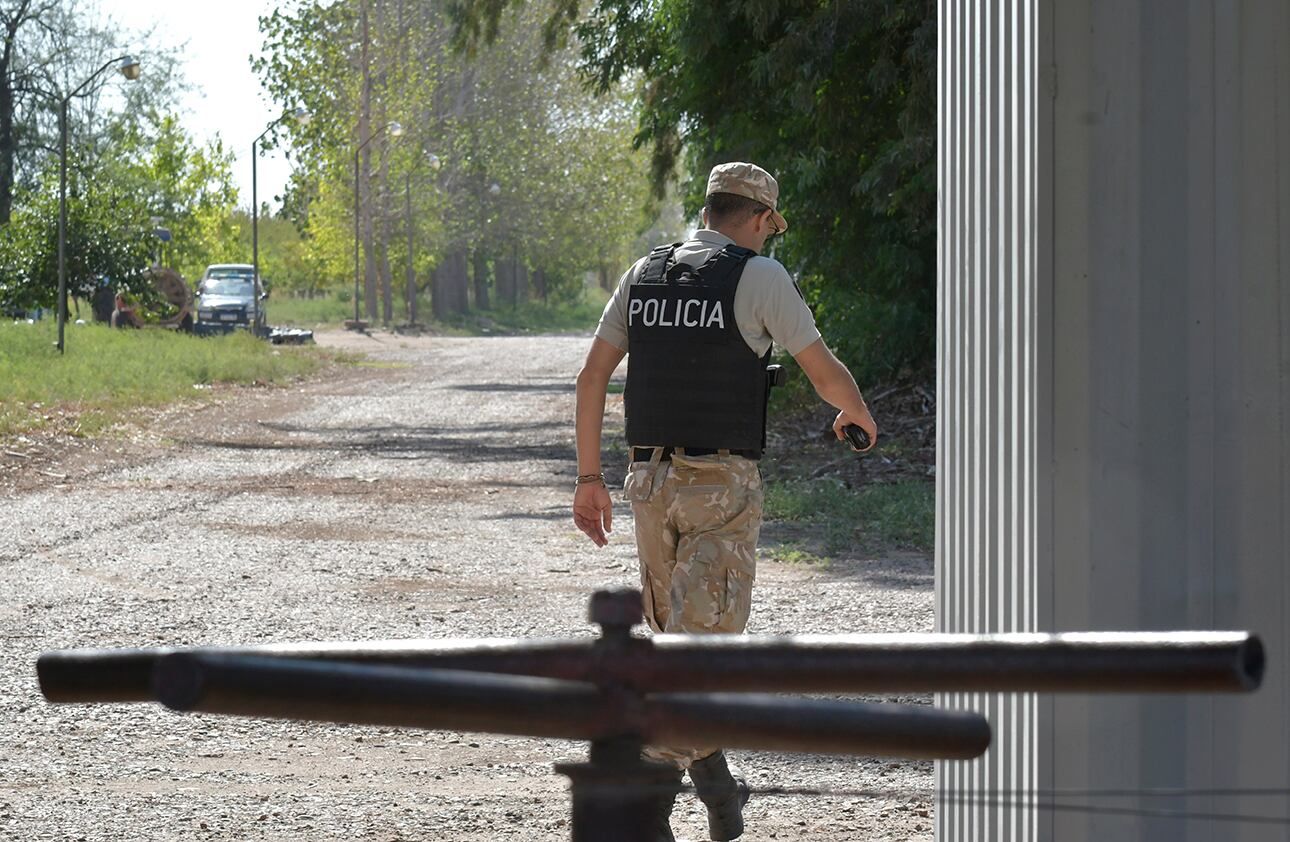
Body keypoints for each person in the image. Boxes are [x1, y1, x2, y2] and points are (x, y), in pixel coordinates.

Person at [572, 161, 878, 841]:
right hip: (719, 488)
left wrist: (588, 479)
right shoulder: (760, 276)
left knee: (678, 644)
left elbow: (593, 375)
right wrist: (856, 412)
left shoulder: (644, 274)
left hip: (647, 483)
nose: (772, 236)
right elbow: (822, 370)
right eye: (773, 225)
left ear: (709, 208)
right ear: (761, 218)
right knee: (700, 652)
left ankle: (714, 786)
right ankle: (645, 802)